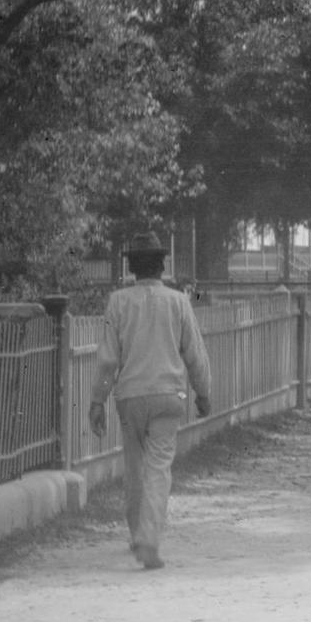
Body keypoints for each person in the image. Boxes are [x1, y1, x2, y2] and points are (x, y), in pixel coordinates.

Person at [94, 238, 214, 570]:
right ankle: (149, 536)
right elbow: (195, 352)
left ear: (132, 268)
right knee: (158, 468)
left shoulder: (117, 302)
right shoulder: (178, 302)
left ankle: (137, 535)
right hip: (168, 396)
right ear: (162, 266)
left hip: (130, 396)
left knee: (134, 468)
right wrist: (203, 393)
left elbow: (107, 359)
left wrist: (96, 401)